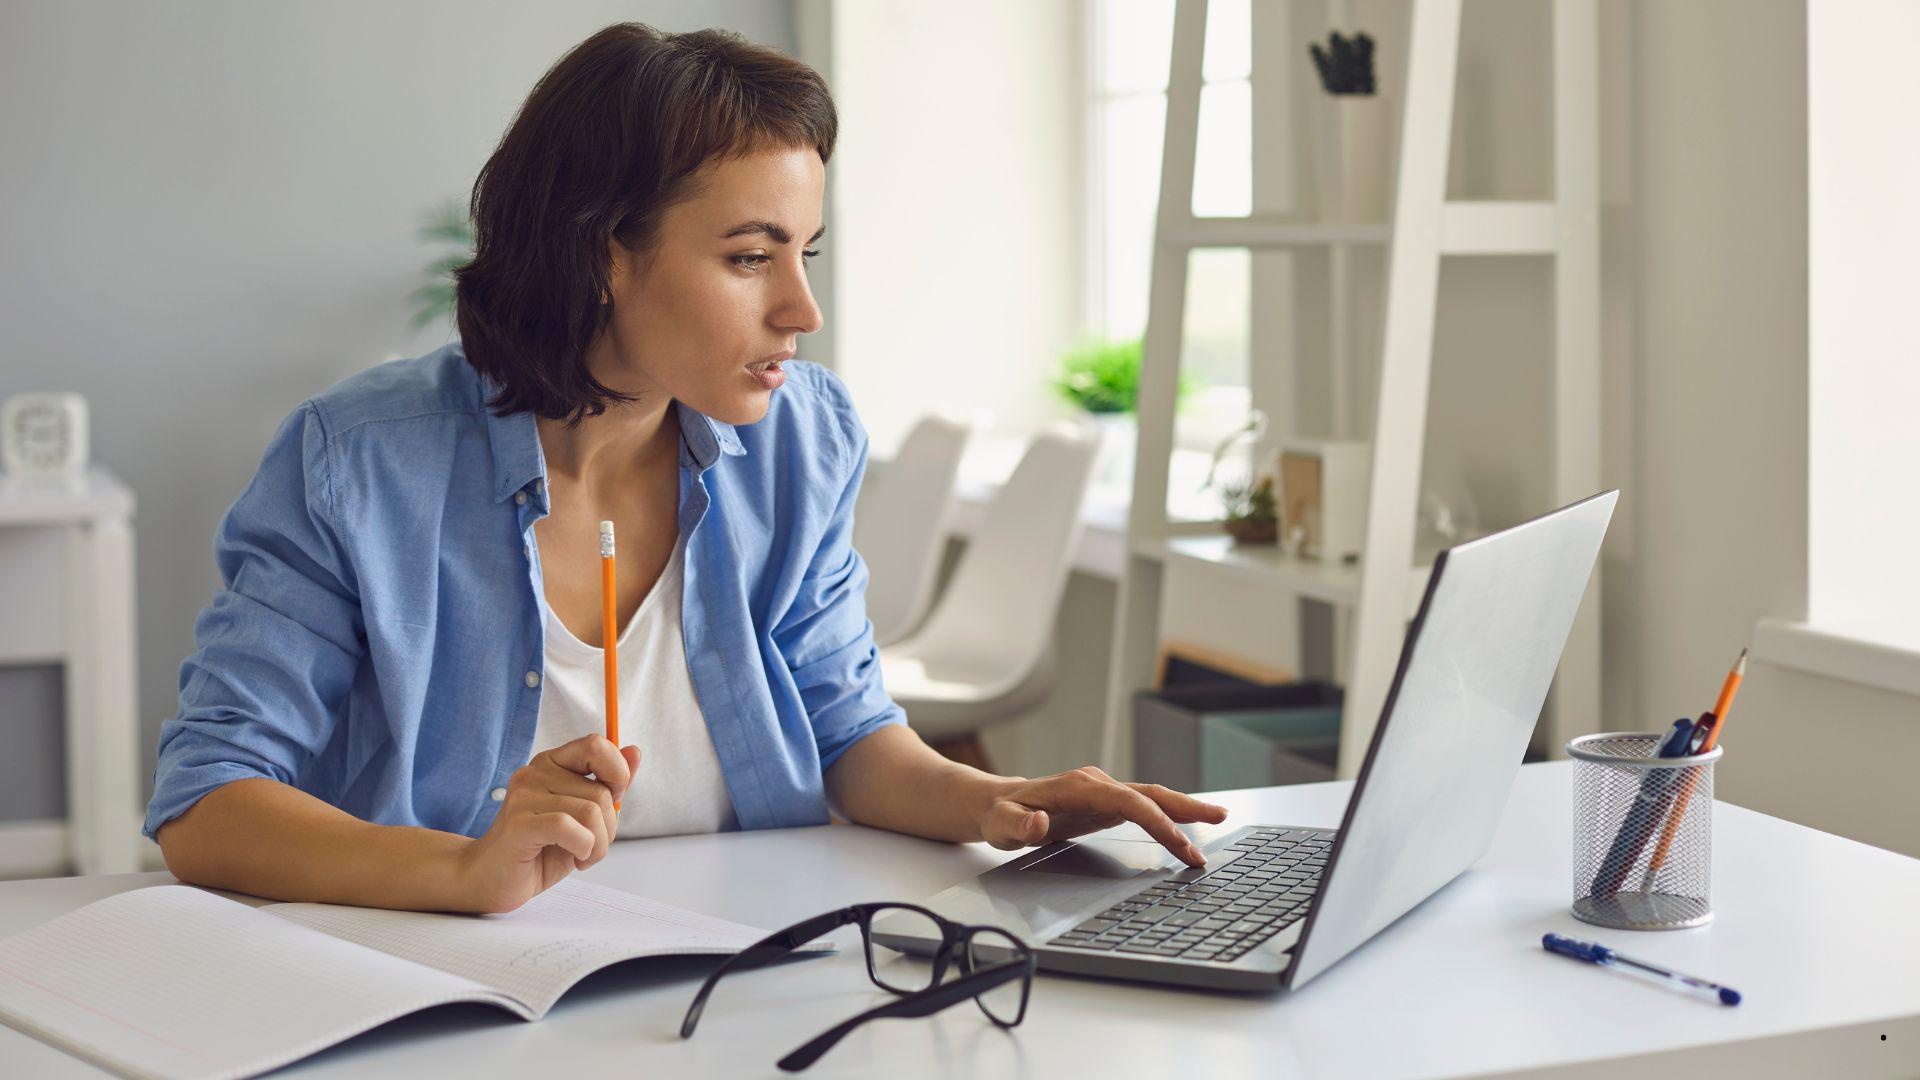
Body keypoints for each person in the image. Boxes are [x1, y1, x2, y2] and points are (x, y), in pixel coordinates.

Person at [146, 22, 1227, 915]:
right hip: (451, 987)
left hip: (740, 962)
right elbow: (208, 802)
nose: (802, 310)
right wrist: (463, 870)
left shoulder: (802, 435)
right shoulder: (361, 462)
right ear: (601, 253)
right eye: (750, 257)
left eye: (806, 254)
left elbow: (848, 731)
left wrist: (1003, 804)